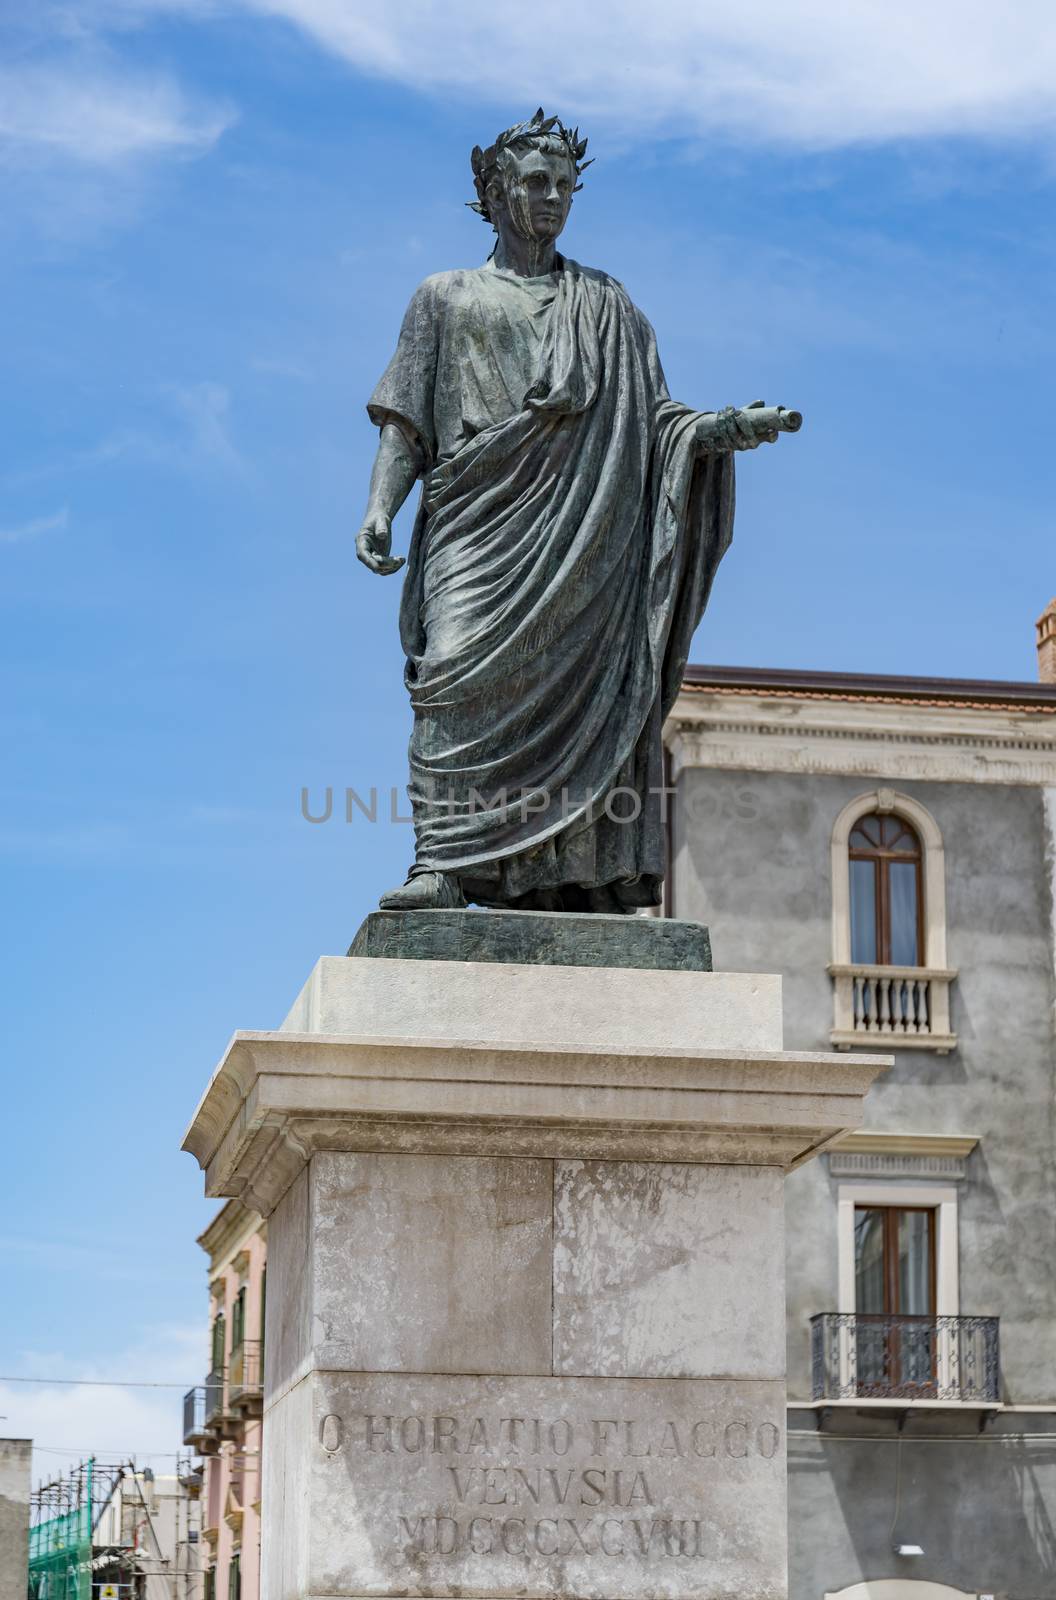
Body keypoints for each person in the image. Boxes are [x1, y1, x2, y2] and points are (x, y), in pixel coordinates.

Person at [357, 110, 782, 913]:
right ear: (494, 189)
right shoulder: (443, 297)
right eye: (534, 182)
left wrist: (720, 429)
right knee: (450, 675)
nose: (552, 198)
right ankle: (442, 862)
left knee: (587, 692)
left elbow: (654, 422)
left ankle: (581, 877)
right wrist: (380, 511)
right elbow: (405, 423)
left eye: (565, 186)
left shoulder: (607, 305)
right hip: (475, 525)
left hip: (585, 539)